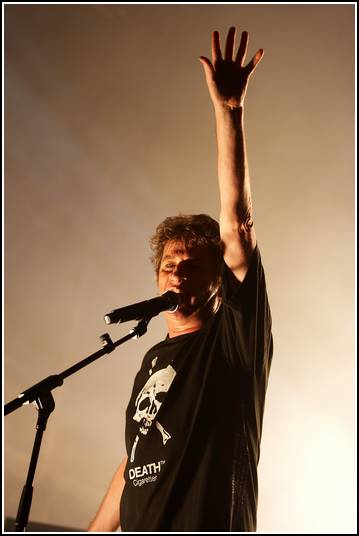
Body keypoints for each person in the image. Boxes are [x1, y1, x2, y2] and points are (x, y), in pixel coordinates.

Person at [88, 26, 273, 532]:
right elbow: (133, 465)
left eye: (192, 264)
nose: (177, 271)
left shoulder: (234, 342)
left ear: (219, 281)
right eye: (169, 264)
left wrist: (228, 111)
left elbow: (237, 225)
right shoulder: (151, 357)